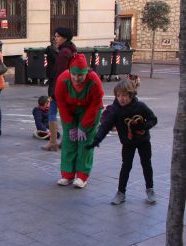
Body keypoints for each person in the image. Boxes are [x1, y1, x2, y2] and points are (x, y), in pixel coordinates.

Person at [87, 79, 157, 205]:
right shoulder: (115, 110)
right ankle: (121, 193)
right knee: (126, 167)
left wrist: (143, 127)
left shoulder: (140, 106)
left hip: (143, 142)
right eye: (118, 95)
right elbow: (106, 125)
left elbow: (153, 119)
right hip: (127, 143)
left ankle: (150, 190)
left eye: (124, 95)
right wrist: (97, 139)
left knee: (146, 165)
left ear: (131, 95)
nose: (121, 98)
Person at [55, 54, 104, 189]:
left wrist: (84, 126)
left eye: (80, 75)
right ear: (70, 72)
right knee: (69, 141)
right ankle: (67, 174)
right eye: (74, 75)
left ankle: (82, 176)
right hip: (69, 110)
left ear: (86, 73)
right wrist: (70, 126)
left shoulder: (94, 81)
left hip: (90, 111)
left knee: (85, 141)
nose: (77, 79)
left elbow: (95, 104)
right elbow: (62, 104)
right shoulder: (62, 81)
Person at [42, 27, 77, 152]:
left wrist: (54, 91)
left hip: (60, 88)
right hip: (68, 88)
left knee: (52, 113)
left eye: (57, 36)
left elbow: (60, 73)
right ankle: (65, 141)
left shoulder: (63, 52)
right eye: (55, 36)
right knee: (65, 114)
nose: (55, 38)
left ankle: (52, 142)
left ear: (64, 37)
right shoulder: (71, 49)